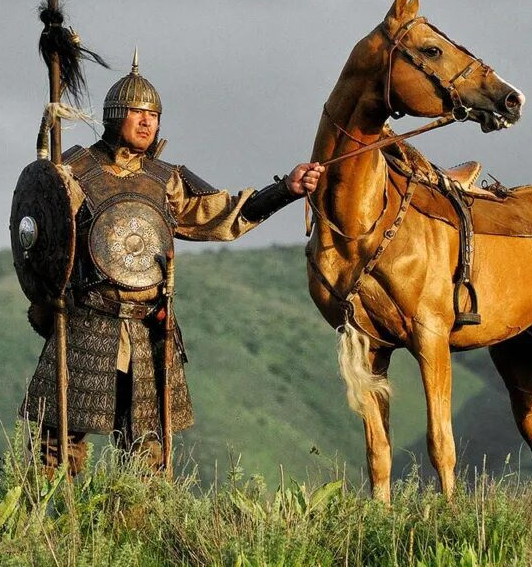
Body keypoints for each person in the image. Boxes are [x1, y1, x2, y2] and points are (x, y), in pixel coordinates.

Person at [19, 52, 322, 474]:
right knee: (56, 448)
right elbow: (40, 234)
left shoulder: (168, 179)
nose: (147, 122)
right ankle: (42, 534)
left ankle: (136, 530)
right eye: (136, 113)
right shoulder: (74, 168)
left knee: (147, 452)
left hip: (148, 327)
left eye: (153, 115)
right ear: (113, 117)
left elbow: (222, 213)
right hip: (87, 318)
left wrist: (286, 190)